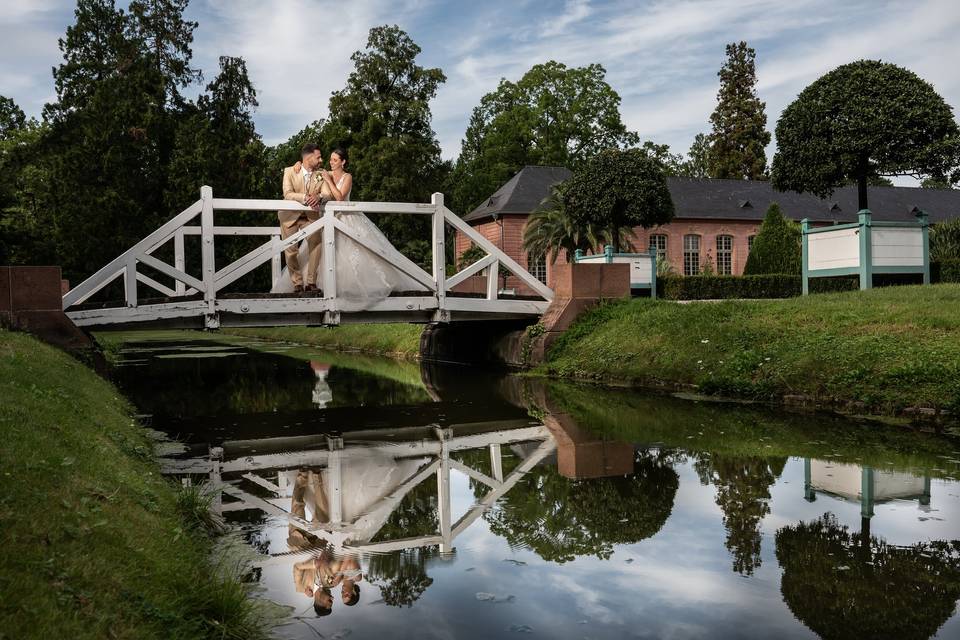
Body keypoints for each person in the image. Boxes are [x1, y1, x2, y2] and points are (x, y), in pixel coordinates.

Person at [272, 147, 429, 308]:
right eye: (329, 159)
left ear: (343, 162)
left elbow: (338, 197)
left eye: (334, 160)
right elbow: (303, 177)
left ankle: (338, 287)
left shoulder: (344, 176)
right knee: (308, 251)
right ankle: (305, 284)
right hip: (321, 218)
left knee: (350, 254)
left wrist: (324, 185)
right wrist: (298, 164)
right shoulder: (322, 173)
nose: (329, 162)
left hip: (345, 218)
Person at [279, 144, 325, 293]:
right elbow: (288, 193)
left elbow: (328, 193)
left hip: (310, 217)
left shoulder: (321, 173)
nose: (321, 160)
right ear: (308, 158)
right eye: (318, 157)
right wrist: (305, 198)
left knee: (317, 243)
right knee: (291, 250)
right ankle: (297, 283)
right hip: (289, 217)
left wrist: (319, 196)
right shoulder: (289, 171)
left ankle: (311, 282)